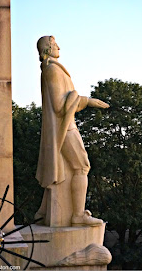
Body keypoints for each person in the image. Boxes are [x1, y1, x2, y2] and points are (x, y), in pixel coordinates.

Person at [35, 36, 109, 226]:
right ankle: (77, 215)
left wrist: (85, 100)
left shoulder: (52, 69)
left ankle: (44, 212)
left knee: (65, 170)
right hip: (65, 127)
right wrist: (81, 98)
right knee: (82, 166)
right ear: (47, 48)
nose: (58, 47)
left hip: (66, 125)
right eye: (54, 44)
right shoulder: (52, 70)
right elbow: (60, 106)